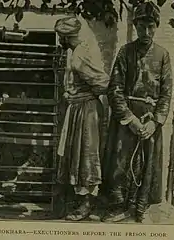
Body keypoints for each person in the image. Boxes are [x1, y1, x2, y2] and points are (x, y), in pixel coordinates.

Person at [102, 1, 173, 223]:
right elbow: (114, 89)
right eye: (142, 26)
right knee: (120, 162)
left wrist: (155, 122)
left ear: (156, 27)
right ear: (136, 26)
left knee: (147, 164)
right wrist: (129, 119)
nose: (146, 32)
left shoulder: (163, 55)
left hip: (150, 121)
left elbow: (167, 93)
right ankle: (118, 207)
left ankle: (141, 208)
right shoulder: (125, 52)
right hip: (128, 119)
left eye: (151, 26)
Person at [54, 16, 110, 221]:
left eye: (62, 37)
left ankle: (87, 204)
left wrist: (86, 94)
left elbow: (104, 82)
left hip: (87, 109)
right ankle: (78, 201)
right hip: (77, 108)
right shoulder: (73, 52)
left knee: (86, 155)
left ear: (68, 37)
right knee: (74, 155)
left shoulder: (81, 54)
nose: (60, 40)